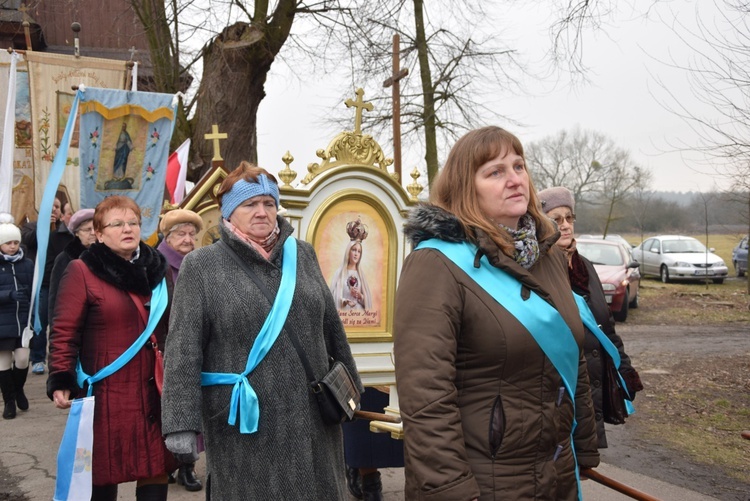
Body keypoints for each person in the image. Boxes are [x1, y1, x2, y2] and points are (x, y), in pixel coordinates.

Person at [393, 126, 600, 500]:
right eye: (495, 172)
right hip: (483, 481)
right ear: (464, 188)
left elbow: (571, 352)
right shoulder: (436, 264)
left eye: (518, 166)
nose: (514, 180)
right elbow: (426, 396)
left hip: (556, 473)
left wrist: (583, 444)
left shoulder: (548, 253)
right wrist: (451, 489)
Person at [161, 161, 362, 499]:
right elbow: (182, 348)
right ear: (229, 212)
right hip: (243, 421)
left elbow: (331, 328)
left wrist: (351, 388)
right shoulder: (202, 266)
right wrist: (181, 421)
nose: (261, 211)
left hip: (312, 414)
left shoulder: (303, 255)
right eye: (249, 204)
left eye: (269, 203)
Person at [47, 195, 177, 500]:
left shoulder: (159, 271)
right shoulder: (82, 271)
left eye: (133, 222)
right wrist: (61, 378)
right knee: (103, 471)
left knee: (154, 466)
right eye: (116, 224)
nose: (127, 229)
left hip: (153, 388)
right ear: (100, 233)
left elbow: (173, 326)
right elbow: (65, 331)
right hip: (106, 392)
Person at [538, 186, 644, 448]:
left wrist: (624, 369)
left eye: (569, 218)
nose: (565, 226)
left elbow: (606, 326)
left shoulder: (585, 267)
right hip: (560, 391)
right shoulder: (537, 269)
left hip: (591, 388)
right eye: (555, 219)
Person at [156, 209, 204, 492]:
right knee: (167, 408)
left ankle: (187, 466)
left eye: (191, 234)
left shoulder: (196, 263)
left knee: (190, 407)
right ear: (168, 236)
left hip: (194, 346)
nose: (188, 240)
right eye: (181, 234)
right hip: (163, 348)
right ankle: (169, 464)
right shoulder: (156, 264)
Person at [22, 196, 74, 375]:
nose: (53, 210)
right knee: (40, 321)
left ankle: (59, 359)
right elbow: (27, 240)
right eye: (49, 207)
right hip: (42, 283)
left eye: (57, 207)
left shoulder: (65, 233)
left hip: (61, 282)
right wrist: (43, 225)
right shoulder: (31, 226)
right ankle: (37, 358)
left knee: (59, 323)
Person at [0, 214, 33, 419]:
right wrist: (7, 295)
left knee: (22, 359)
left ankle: (18, 389)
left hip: (22, 320)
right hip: (2, 321)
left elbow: (33, 291)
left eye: (16, 242)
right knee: (3, 363)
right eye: (8, 243)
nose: (13, 246)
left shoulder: (27, 264)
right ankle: (9, 400)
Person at [47, 208, 96, 329]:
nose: (93, 233)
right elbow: (56, 297)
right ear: (77, 233)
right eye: (87, 229)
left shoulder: (108, 255)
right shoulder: (66, 258)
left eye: (96, 228)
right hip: (76, 323)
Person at [329, 218, 372, 310]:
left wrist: (360, 296)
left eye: (359, 251)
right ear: (348, 251)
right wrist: (345, 301)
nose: (356, 254)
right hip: (344, 314)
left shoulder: (361, 275)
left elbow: (368, 302)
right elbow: (332, 296)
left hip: (358, 316)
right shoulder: (340, 273)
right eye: (354, 250)